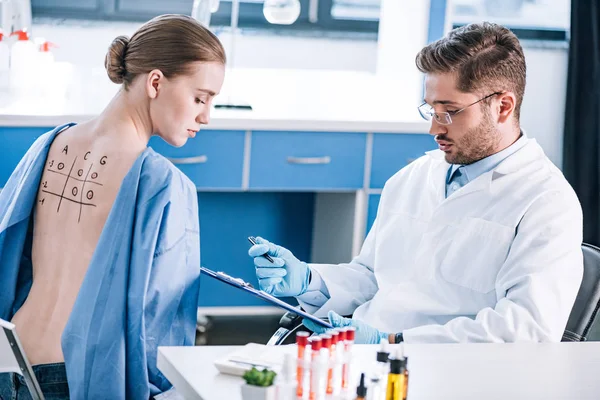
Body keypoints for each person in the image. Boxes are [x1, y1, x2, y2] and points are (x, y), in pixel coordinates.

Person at [249, 22, 584, 345]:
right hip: (366, 359)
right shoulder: (414, 177)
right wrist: (311, 282)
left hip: (452, 374)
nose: (435, 129)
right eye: (431, 110)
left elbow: (525, 331)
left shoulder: (547, 202)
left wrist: (394, 342)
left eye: (449, 111)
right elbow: (373, 276)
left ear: (503, 106)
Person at [0, 14, 225, 399]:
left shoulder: (49, 144)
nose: (206, 116)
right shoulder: (163, 184)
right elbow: (159, 324)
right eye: (200, 98)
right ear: (155, 82)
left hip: (9, 360)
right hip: (76, 377)